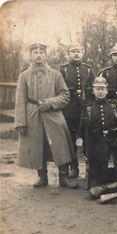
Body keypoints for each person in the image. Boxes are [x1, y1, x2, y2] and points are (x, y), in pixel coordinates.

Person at [15, 43, 77, 188]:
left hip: (53, 114)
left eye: (41, 52)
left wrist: (50, 102)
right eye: (35, 52)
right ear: (30, 55)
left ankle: (64, 177)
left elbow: (65, 95)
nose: (38, 55)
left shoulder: (55, 74)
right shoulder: (24, 76)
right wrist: (21, 122)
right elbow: (20, 100)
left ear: (45, 55)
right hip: (32, 115)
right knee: (37, 145)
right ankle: (42, 177)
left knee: (60, 145)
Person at [79, 76, 117, 188]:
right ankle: (97, 178)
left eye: (102, 89)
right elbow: (82, 130)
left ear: (106, 90)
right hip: (97, 142)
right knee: (98, 174)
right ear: (93, 91)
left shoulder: (115, 106)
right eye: (97, 89)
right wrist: (87, 143)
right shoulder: (88, 108)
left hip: (115, 140)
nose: (100, 92)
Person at [60, 43, 95, 178]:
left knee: (87, 140)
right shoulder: (64, 69)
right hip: (69, 110)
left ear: (82, 53)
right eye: (73, 51)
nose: (76, 53)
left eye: (78, 51)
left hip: (85, 110)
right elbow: (60, 88)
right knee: (70, 141)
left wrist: (88, 91)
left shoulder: (88, 69)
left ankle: (88, 168)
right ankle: (74, 168)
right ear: (68, 53)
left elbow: (94, 87)